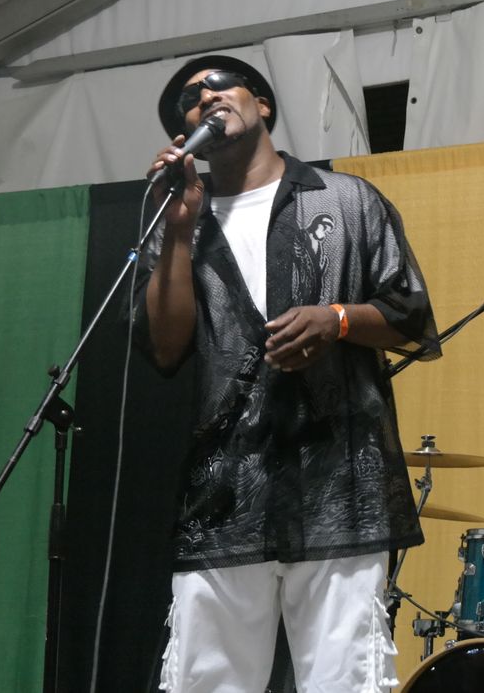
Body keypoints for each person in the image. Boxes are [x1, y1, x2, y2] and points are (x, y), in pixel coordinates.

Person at [136, 54, 438, 692]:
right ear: (184, 135)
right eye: (189, 100)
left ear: (263, 104)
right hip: (223, 494)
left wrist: (338, 320)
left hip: (339, 488)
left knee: (344, 683)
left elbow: (410, 314)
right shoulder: (178, 219)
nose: (205, 97)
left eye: (220, 85)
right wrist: (180, 231)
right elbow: (164, 349)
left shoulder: (346, 199)